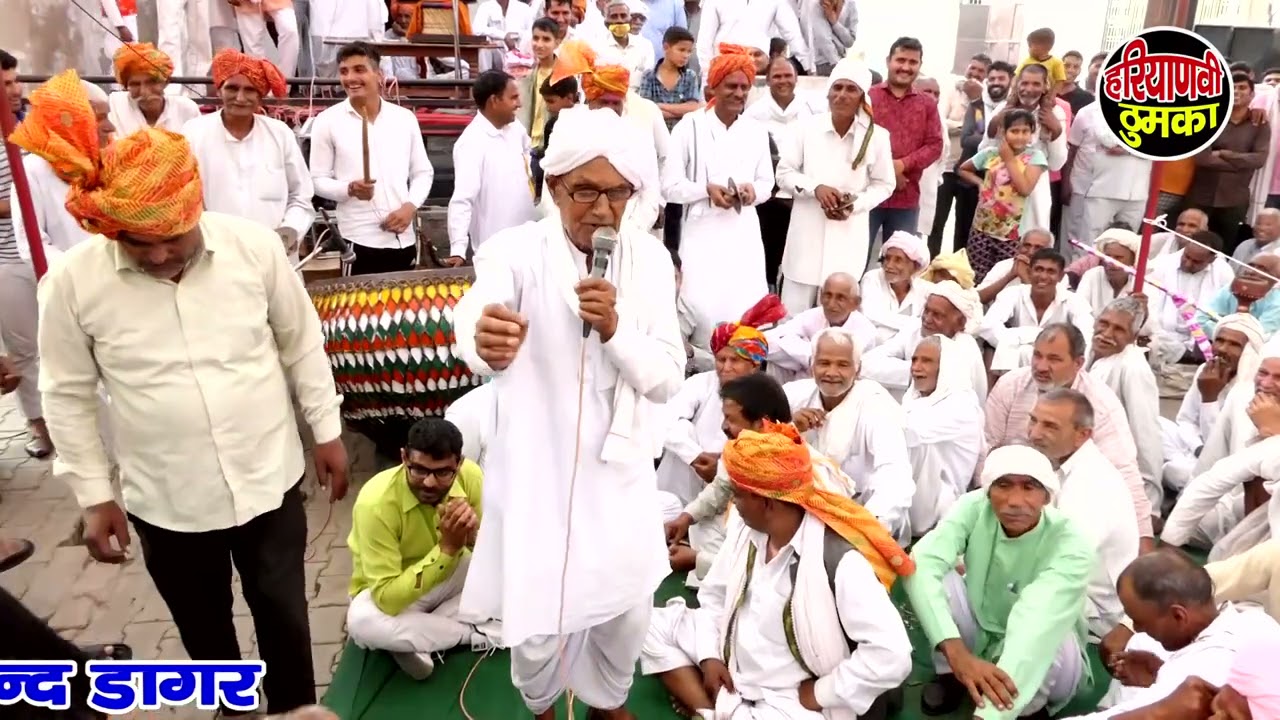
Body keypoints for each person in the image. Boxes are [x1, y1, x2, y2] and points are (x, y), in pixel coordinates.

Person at [28, 70, 349, 716]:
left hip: (269, 479)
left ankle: (292, 709)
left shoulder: (255, 251)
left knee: (285, 617)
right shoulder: (72, 282)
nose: (159, 254)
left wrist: (327, 431)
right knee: (206, 635)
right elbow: (65, 394)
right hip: (165, 501)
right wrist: (94, 494)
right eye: (139, 243)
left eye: (173, 236)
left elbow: (300, 344)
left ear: (194, 206)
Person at [451, 106, 685, 720]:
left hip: (619, 472)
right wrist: (481, 336)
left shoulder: (651, 262)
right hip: (538, 471)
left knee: (628, 610)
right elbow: (478, 309)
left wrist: (616, 329)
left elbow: (666, 376)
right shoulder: (515, 252)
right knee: (537, 624)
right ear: (554, 187)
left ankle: (607, 701)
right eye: (585, 190)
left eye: (616, 192)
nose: (602, 209)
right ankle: (544, 707)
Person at [641, 421, 914, 720]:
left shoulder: (839, 560)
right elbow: (714, 597)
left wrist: (821, 693)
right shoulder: (747, 532)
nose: (734, 502)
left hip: (789, 696)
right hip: (733, 662)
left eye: (739, 495)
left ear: (767, 502)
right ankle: (711, 711)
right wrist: (709, 657)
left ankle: (711, 708)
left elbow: (892, 655)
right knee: (646, 624)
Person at [904, 445, 1093, 719]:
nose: (1015, 501)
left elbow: (1035, 622)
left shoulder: (1072, 544)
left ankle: (1026, 708)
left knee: (1053, 635)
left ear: (1046, 496)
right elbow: (922, 563)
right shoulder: (974, 507)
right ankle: (952, 676)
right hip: (981, 627)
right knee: (937, 574)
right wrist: (957, 653)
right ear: (988, 491)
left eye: (1029, 487)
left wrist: (989, 716)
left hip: (1044, 652)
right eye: (1003, 485)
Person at [346, 417, 498, 680]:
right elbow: (386, 597)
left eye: (442, 473)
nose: (429, 483)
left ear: (459, 464)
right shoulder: (376, 503)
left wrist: (473, 537)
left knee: (510, 573)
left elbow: (493, 555)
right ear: (404, 458)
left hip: (449, 580)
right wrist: (447, 549)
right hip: (388, 597)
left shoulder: (471, 477)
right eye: (419, 470)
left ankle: (417, 639)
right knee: (361, 621)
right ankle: (474, 634)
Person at [983, 323, 1156, 545]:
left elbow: (1125, 472)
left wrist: (1145, 541)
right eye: (1037, 355)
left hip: (1066, 499)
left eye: (1054, 359)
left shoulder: (1100, 405)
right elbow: (988, 448)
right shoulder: (1011, 385)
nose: (1041, 366)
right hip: (1009, 491)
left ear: (1078, 364)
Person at [1084, 550, 1280, 720]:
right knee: (1139, 642)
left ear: (1179, 615)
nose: (1136, 626)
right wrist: (1160, 674)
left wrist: (1156, 711)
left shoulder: (1201, 673)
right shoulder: (1259, 621)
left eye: (1139, 621)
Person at [664, 44, 774, 334]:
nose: (739, 94)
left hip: (744, 234)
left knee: (744, 310)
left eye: (744, 87)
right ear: (713, 87)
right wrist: (705, 190)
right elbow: (670, 187)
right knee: (701, 310)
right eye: (731, 86)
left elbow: (767, 184)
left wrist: (752, 192)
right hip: (702, 233)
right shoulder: (690, 126)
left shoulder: (756, 131)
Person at [776, 55, 896, 311]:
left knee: (837, 318)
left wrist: (857, 203)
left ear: (862, 97)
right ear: (828, 94)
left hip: (848, 235)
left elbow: (885, 184)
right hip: (806, 235)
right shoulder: (805, 128)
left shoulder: (877, 138)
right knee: (792, 317)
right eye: (837, 88)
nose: (842, 95)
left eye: (851, 89)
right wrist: (815, 189)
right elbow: (784, 174)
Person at [1024, 389, 1141, 640]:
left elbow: (1061, 563)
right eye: (1033, 420)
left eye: (1050, 427)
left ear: (1083, 435)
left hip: (1094, 613)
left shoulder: (1092, 483)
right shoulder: (1058, 464)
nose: (1034, 434)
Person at [309, 42, 434, 275]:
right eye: (344, 71)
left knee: (402, 310)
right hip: (357, 240)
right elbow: (317, 179)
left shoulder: (404, 119)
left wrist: (410, 207)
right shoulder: (326, 121)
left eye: (359, 69)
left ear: (379, 74)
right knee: (359, 311)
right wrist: (349, 189)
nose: (350, 78)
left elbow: (422, 172)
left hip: (403, 238)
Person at [183, 50, 314, 265]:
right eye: (232, 88)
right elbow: (187, 197)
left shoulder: (280, 133)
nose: (240, 98)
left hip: (275, 254)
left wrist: (288, 233)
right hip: (216, 254)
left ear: (260, 96)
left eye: (250, 90)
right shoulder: (194, 132)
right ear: (219, 90)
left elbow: (301, 195)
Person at [784, 328, 915, 541]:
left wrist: (865, 527)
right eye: (824, 363)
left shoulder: (874, 403)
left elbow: (894, 474)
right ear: (811, 366)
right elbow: (759, 441)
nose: (832, 372)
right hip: (804, 513)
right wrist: (790, 429)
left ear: (858, 369)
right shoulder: (796, 395)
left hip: (860, 516)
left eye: (842, 365)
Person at [655, 295, 785, 507]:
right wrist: (696, 456)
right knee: (682, 429)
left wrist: (724, 467)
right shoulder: (700, 383)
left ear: (754, 365)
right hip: (688, 473)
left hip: (737, 482)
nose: (725, 367)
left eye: (735, 360)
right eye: (721, 359)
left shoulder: (768, 394)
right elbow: (664, 421)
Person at [1160, 314, 1264, 492]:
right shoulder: (1206, 369)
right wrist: (1198, 448)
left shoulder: (1251, 388)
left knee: (1175, 471)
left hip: (1225, 464)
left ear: (1248, 351)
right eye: (1220, 340)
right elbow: (1185, 421)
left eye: (1234, 344)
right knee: (1154, 424)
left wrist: (1210, 399)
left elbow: (1225, 447)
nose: (1222, 349)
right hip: (1196, 449)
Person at [447, 70, 539, 264]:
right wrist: (458, 249)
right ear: (494, 101)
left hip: (529, 242)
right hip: (495, 252)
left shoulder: (517, 129)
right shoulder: (470, 143)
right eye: (513, 98)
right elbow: (463, 200)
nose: (519, 104)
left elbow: (527, 163)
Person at [1087, 296, 1164, 515]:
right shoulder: (1088, 351)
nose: (1107, 333)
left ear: (1133, 336)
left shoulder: (1133, 368)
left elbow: (1146, 435)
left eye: (1119, 329)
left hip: (1114, 467)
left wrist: (1150, 505)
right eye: (1104, 323)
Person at [902, 334, 984, 536]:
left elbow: (906, 432)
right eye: (914, 360)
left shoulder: (961, 404)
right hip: (913, 493)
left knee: (917, 444)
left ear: (947, 367)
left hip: (940, 502)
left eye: (926, 361)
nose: (916, 367)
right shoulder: (915, 398)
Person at [957, 107, 1048, 280]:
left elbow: (1025, 189)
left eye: (1025, 131)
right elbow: (963, 169)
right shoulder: (990, 154)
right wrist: (980, 184)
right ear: (1002, 131)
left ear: (1032, 133)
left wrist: (1008, 159)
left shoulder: (1035, 157)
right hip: (982, 227)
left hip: (1012, 233)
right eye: (1014, 131)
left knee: (1006, 278)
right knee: (977, 276)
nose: (1020, 136)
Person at [861, 280, 988, 400]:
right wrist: (916, 372)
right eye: (926, 310)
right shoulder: (914, 329)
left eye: (937, 315)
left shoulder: (965, 348)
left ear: (960, 323)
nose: (927, 318)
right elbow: (865, 365)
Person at [980, 248, 1094, 373]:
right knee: (1013, 350)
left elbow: (1087, 338)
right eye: (1039, 269)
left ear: (1060, 276)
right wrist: (1036, 337)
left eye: (1051, 271)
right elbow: (987, 326)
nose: (1043, 276)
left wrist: (1019, 339)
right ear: (1029, 272)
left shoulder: (1075, 301)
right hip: (1015, 368)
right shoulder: (1012, 294)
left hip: (1057, 366)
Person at [763, 272, 877, 384]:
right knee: (774, 354)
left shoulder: (866, 330)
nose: (831, 304)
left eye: (840, 298)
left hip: (839, 389)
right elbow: (767, 340)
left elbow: (833, 358)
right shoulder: (813, 315)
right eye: (828, 295)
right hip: (802, 384)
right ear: (821, 297)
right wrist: (808, 356)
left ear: (855, 303)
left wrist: (800, 349)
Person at [106, 42, 201, 135]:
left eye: (151, 82)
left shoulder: (186, 109)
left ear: (166, 82)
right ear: (126, 87)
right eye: (135, 84)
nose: (144, 92)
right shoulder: (115, 105)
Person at [858, 231, 934, 346]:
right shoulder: (872, 278)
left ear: (915, 266)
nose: (889, 265)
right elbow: (870, 314)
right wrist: (917, 325)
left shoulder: (925, 289)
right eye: (887, 258)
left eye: (898, 260)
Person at [1014, 28, 1066, 95]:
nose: (1029, 49)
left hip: (1046, 95)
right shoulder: (1027, 61)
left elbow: (1059, 81)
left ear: (1046, 47)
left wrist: (1051, 96)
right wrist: (1014, 92)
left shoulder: (1056, 63)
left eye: (1030, 46)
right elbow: (1016, 77)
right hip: (1026, 93)